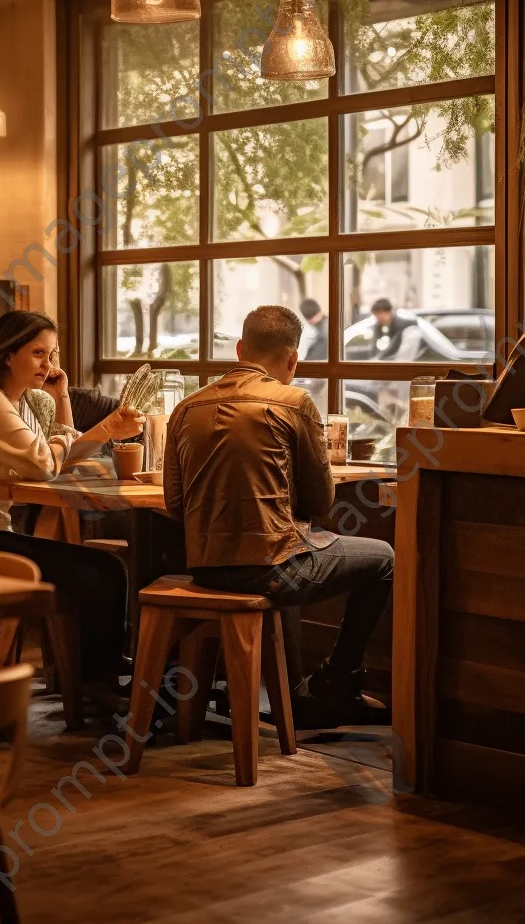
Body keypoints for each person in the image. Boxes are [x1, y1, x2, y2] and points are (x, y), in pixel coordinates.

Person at [163, 305, 394, 728]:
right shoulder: (295, 401)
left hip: (203, 568)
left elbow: (176, 505)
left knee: (286, 545)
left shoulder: (186, 407)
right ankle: (339, 684)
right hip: (270, 570)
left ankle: (295, 697)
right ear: (293, 359)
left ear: (239, 350)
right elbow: (321, 503)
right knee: (382, 558)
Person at [0, 311, 146, 683]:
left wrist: (69, 404)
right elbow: (45, 463)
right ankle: (97, 681)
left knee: (101, 568)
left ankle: (91, 678)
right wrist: (102, 429)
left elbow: (56, 458)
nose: (48, 364)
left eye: (52, 355)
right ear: (8, 354)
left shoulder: (16, 401)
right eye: (38, 353)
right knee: (99, 571)